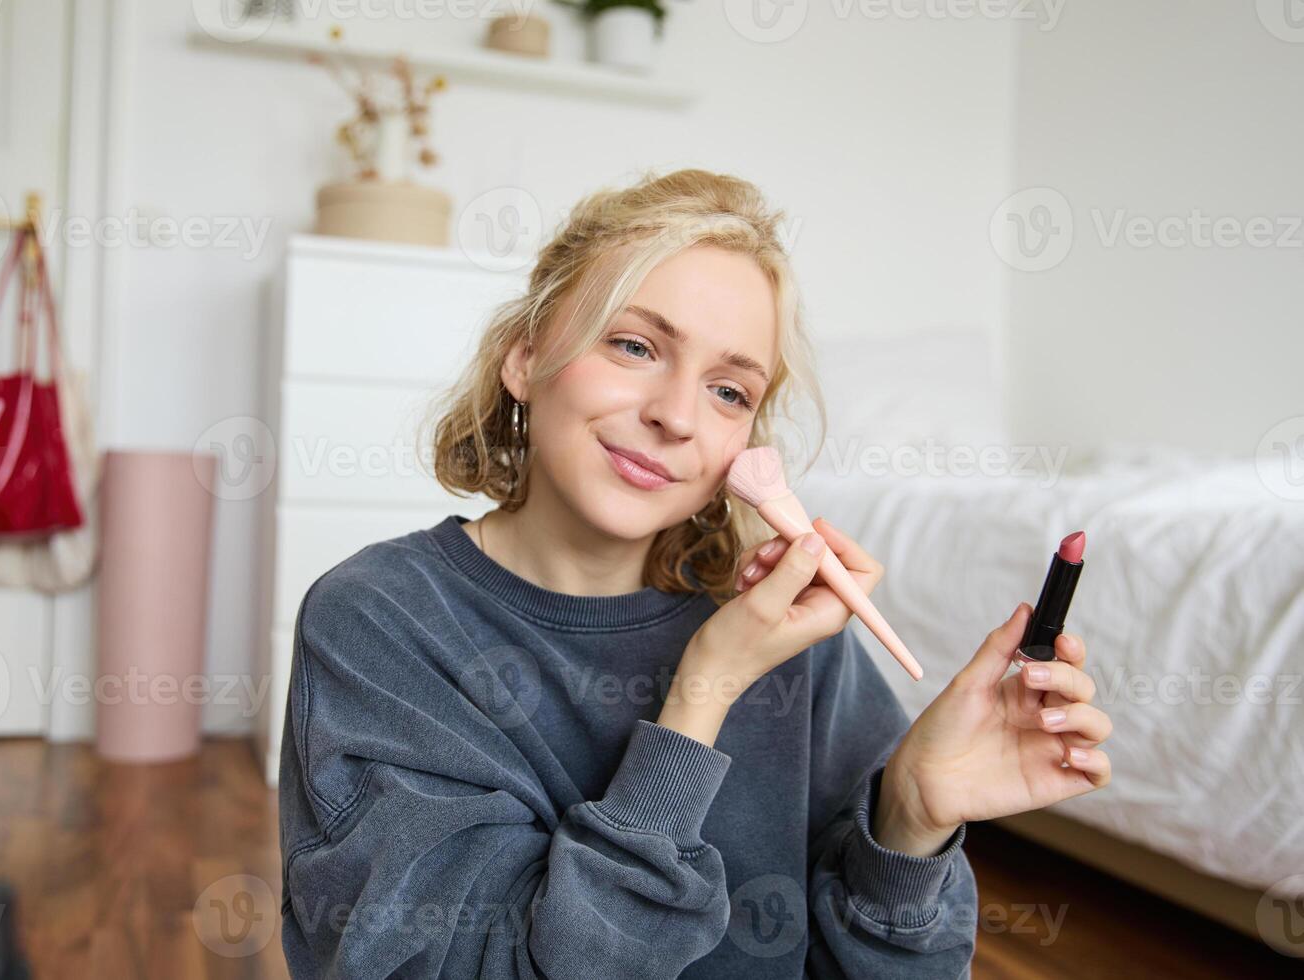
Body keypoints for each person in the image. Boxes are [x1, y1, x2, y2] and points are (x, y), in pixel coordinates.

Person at [276, 169, 1113, 978]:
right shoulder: (381, 621)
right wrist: (701, 695)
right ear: (524, 357)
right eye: (635, 345)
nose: (675, 416)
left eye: (727, 391)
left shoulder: (794, 644)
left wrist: (911, 817)